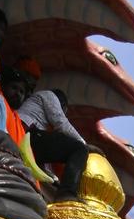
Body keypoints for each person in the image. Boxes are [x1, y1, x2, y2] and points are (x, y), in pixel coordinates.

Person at [14, 67, 90, 195]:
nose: (64, 114)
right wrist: (83, 143)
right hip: (26, 132)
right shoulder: (49, 96)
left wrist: (53, 178)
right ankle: (67, 194)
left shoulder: (41, 118)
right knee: (78, 149)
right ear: (62, 106)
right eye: (64, 111)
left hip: (30, 139)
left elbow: (46, 157)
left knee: (53, 182)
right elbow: (60, 121)